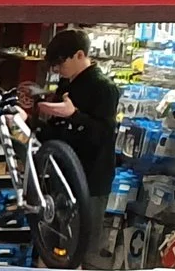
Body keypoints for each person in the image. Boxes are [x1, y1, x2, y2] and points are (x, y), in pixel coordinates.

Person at [33, 27, 118, 200]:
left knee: (84, 227)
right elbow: (56, 130)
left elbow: (104, 135)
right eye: (54, 65)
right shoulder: (66, 84)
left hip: (89, 181)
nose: (57, 69)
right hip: (62, 173)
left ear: (80, 55)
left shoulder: (104, 88)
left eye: (61, 62)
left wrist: (74, 115)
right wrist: (28, 121)